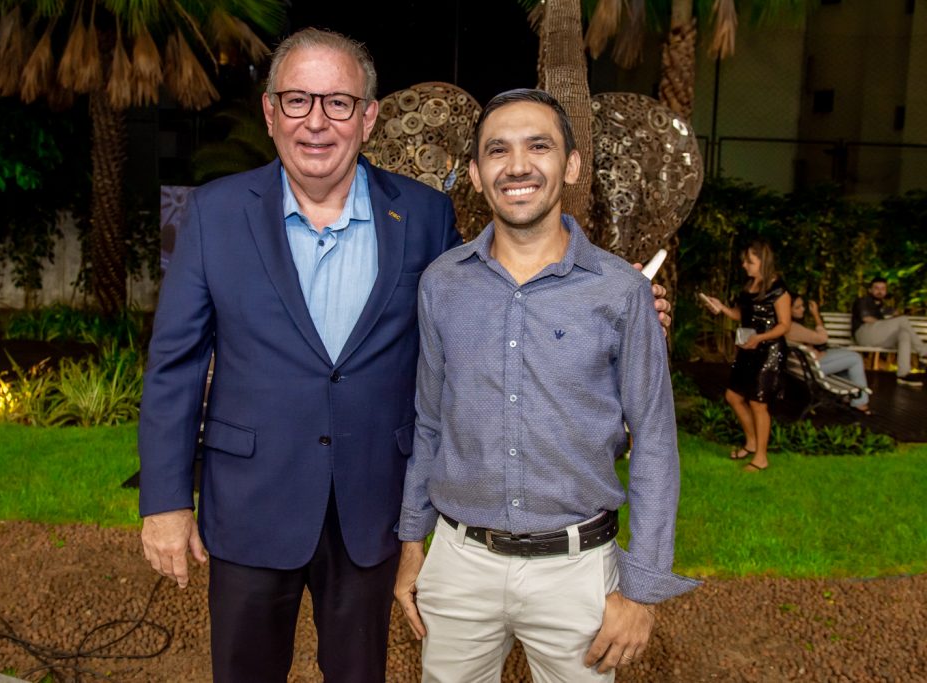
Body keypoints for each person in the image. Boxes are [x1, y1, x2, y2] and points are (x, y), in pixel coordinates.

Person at [137, 30, 671, 683]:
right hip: (251, 500)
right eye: (298, 100)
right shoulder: (217, 213)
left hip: (372, 506)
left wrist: (626, 321)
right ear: (270, 112)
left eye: (337, 102)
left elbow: (477, 324)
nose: (316, 121)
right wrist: (165, 499)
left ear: (368, 117)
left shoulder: (421, 215)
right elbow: (175, 362)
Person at [393, 89, 698, 682]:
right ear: (477, 175)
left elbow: (656, 443)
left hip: (577, 572)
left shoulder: (620, 292)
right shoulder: (441, 285)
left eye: (540, 146)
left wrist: (640, 590)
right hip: (460, 565)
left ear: (572, 165)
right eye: (498, 151)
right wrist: (412, 545)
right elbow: (428, 422)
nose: (518, 165)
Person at [701, 242, 791, 472]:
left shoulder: (778, 289)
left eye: (750, 261)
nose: (744, 265)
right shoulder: (751, 285)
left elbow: (784, 326)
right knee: (733, 396)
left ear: (763, 262)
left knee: (758, 404)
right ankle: (751, 443)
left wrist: (760, 339)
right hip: (748, 349)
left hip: (768, 351)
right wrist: (722, 308)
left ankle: (761, 458)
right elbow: (741, 315)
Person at [786, 295, 870, 413]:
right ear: (786, 310)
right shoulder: (792, 327)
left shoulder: (782, 325)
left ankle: (850, 396)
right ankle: (860, 402)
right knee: (855, 358)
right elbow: (822, 338)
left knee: (848, 355)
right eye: (797, 307)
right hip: (811, 369)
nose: (803, 309)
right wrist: (816, 314)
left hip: (805, 366)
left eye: (802, 306)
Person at [851, 277, 926, 386]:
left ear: (886, 291)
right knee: (903, 320)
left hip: (876, 337)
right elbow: (866, 318)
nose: (880, 291)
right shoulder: (863, 301)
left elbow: (890, 317)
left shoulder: (881, 306)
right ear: (870, 290)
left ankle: (903, 374)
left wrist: (892, 316)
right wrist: (891, 322)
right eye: (876, 288)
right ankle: (924, 353)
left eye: (883, 288)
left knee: (903, 334)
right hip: (863, 334)